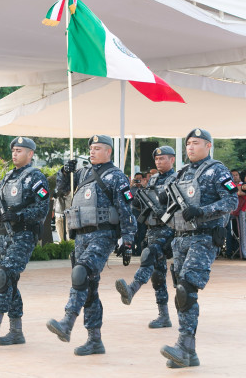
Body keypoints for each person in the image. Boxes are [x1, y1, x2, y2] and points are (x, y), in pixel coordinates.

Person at [46, 134, 136, 356]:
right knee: (89, 290)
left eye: (98, 148)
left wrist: (128, 238)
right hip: (81, 237)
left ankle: (67, 322)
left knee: (80, 274)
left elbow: (126, 209)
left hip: (102, 235)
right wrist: (65, 172)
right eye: (91, 148)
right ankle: (94, 340)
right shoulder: (84, 173)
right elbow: (61, 190)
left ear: (109, 152)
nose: (93, 151)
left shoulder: (116, 177)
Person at [160, 128, 237, 368]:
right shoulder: (181, 173)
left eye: (196, 143)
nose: (190, 147)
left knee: (186, 289)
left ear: (208, 146)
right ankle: (189, 353)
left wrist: (203, 211)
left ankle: (183, 347)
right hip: (181, 237)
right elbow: (166, 199)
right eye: (188, 144)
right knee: (182, 295)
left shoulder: (218, 170)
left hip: (204, 237)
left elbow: (231, 200)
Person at [0, 137, 50, 345]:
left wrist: (18, 216)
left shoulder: (35, 177)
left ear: (30, 154)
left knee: (4, 274)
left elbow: (42, 208)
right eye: (14, 150)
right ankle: (16, 331)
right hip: (5, 236)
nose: (15, 154)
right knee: (9, 281)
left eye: (19, 150)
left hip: (24, 234)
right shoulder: (7, 177)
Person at [115, 146, 177, 329]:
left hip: (169, 228)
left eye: (162, 159)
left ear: (172, 159)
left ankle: (132, 289)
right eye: (157, 160)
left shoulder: (177, 179)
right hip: (152, 229)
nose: (159, 162)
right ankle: (163, 315)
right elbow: (141, 204)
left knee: (148, 255)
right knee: (158, 275)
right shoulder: (153, 179)